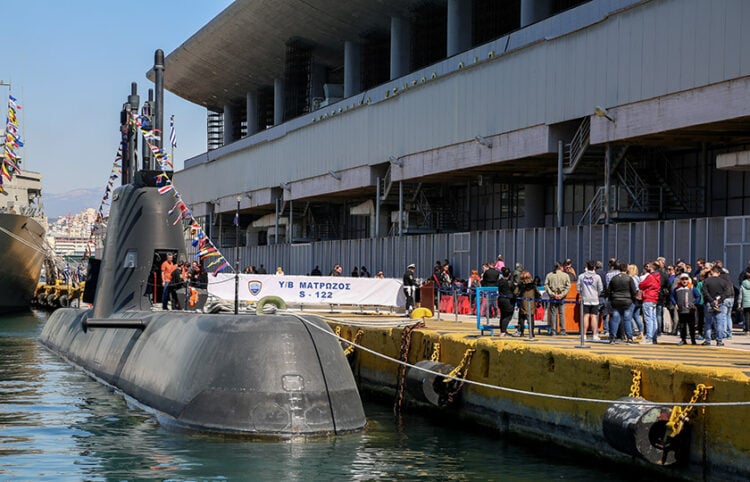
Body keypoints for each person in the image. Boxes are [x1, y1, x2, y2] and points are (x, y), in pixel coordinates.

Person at [606, 262, 636, 344]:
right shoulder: (629, 278)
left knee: (615, 319)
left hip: (616, 301)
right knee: (627, 319)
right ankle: (629, 338)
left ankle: (612, 338)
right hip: (627, 301)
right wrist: (633, 300)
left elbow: (608, 291)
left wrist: (611, 299)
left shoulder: (614, 278)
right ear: (626, 269)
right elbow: (633, 291)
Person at [701, 265, 731, 346]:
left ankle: (708, 340)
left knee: (708, 322)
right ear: (718, 273)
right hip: (720, 304)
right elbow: (727, 293)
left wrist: (711, 300)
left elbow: (704, 292)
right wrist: (719, 300)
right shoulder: (723, 282)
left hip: (709, 303)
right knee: (719, 322)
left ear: (711, 272)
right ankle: (719, 340)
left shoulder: (706, 281)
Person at [577, 260, 603, 341]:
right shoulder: (597, 277)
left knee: (585, 316)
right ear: (594, 267)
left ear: (587, 267)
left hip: (585, 298)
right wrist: (597, 294)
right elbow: (600, 288)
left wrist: (582, 293)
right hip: (595, 298)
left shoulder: (581, 276)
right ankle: (594, 335)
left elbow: (578, 288)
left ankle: (584, 335)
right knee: (594, 316)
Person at [671, 273, 700, 345]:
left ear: (688, 280)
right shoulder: (677, 288)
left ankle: (693, 340)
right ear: (680, 280)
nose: (684, 281)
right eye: (683, 279)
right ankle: (683, 339)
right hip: (681, 310)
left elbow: (698, 296)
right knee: (682, 325)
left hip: (690, 310)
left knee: (691, 325)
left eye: (686, 279)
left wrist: (694, 303)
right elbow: (672, 296)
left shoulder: (692, 287)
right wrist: (675, 304)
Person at [544, 262, 570, 335]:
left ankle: (553, 330)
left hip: (553, 296)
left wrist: (552, 294)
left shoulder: (549, 275)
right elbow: (568, 286)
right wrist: (561, 295)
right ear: (561, 267)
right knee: (562, 313)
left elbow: (546, 286)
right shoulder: (565, 275)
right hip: (562, 297)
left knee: (553, 314)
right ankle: (562, 330)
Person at [639, 261, 661, 344]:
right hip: (654, 298)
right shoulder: (657, 276)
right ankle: (654, 337)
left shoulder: (650, 277)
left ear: (651, 267)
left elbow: (641, 285)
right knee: (653, 318)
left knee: (648, 319)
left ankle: (649, 338)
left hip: (648, 297)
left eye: (648, 266)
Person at [515, 270, 540, 338]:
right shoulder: (533, 285)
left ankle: (521, 332)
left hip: (523, 303)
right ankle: (531, 332)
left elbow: (515, 292)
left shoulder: (520, 285)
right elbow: (538, 293)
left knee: (521, 318)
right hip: (531, 303)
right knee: (531, 319)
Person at [496, 267, 515, 336]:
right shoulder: (509, 283)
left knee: (502, 315)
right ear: (509, 274)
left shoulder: (500, 281)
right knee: (508, 316)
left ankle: (503, 330)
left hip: (501, 299)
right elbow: (514, 290)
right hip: (508, 300)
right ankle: (503, 331)